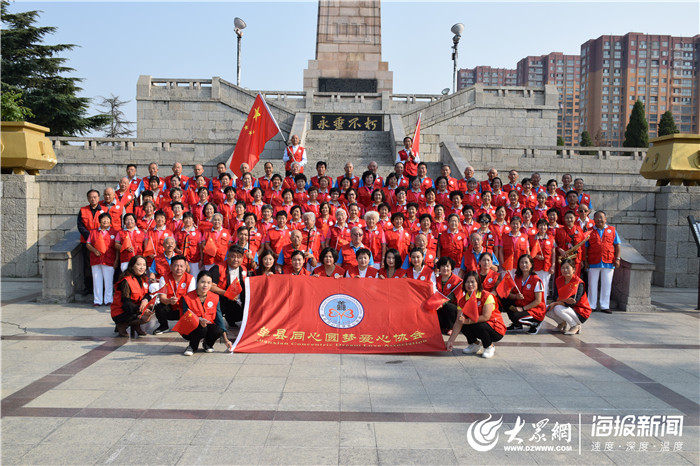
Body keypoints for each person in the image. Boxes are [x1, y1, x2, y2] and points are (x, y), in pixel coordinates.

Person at [445, 271, 505, 359]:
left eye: (473, 282)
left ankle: (489, 346)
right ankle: (474, 344)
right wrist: (450, 341)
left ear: (478, 283)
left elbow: (486, 317)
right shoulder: (462, 300)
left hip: (495, 329)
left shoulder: (487, 296)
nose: (470, 284)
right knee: (462, 322)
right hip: (478, 324)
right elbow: (459, 321)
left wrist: (468, 321)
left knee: (479, 325)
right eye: (467, 282)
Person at [180, 270, 232, 355]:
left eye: (209, 283)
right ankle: (192, 346)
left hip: (207, 325)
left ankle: (208, 344)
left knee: (217, 330)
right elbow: (185, 318)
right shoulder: (187, 297)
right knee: (202, 329)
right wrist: (198, 321)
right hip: (191, 327)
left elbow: (219, 318)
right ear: (197, 282)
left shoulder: (215, 297)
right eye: (203, 282)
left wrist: (226, 340)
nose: (205, 285)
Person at [584, 211, 620, 314]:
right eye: (597, 218)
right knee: (592, 284)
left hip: (608, 261)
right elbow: (585, 247)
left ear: (606, 219)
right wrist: (585, 260)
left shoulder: (612, 230)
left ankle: (605, 306)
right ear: (593, 220)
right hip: (593, 260)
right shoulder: (590, 231)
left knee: (607, 284)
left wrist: (617, 259)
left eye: (601, 218)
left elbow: (617, 245)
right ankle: (592, 305)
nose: (599, 220)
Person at [111, 255, 154, 337]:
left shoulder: (143, 278)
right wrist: (141, 310)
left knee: (152, 307)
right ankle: (121, 325)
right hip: (121, 312)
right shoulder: (126, 281)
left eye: (144, 265)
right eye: (139, 265)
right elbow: (126, 304)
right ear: (132, 266)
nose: (142, 267)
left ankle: (135, 325)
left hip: (133, 309)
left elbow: (148, 294)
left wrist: (145, 300)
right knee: (145, 316)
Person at [502, 254, 546, 334]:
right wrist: (516, 296)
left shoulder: (536, 280)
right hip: (520, 305)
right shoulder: (517, 277)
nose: (524, 265)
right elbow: (509, 294)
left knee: (515, 317)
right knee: (504, 299)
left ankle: (535, 324)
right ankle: (517, 325)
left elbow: (538, 301)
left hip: (535, 311)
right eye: (521, 262)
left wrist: (523, 309)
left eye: (526, 262)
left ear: (531, 265)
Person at [153, 254, 196, 334]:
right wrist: (169, 300)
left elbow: (191, 298)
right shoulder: (164, 278)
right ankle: (164, 326)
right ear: (171, 266)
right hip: (170, 308)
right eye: (176, 266)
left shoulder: (190, 278)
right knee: (159, 307)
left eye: (181, 266)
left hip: (183, 308)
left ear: (185, 267)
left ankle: (187, 325)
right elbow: (162, 298)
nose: (179, 268)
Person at [546, 259, 591, 335]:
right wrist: (562, 301)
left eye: (567, 268)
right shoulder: (559, 280)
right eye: (563, 268)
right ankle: (562, 324)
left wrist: (557, 302)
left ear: (573, 269)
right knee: (546, 308)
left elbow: (573, 302)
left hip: (580, 312)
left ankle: (575, 326)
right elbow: (555, 297)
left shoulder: (578, 283)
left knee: (557, 308)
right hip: (565, 307)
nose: (565, 270)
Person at [210, 245, 248, 328]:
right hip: (222, 298)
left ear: (242, 258)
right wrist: (226, 293)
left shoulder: (244, 269)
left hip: (238, 299)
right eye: (233, 257)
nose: (236, 260)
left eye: (239, 257)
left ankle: (232, 320)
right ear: (228, 256)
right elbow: (211, 286)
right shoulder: (217, 268)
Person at [86, 213, 118, 306]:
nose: (105, 221)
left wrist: (116, 260)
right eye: (103, 219)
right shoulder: (93, 232)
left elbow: (116, 248)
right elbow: (88, 244)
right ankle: (97, 300)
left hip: (109, 260)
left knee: (108, 281)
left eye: (107, 219)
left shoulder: (114, 232)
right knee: (96, 281)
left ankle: (108, 300)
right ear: (99, 221)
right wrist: (94, 250)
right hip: (96, 259)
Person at [435, 257, 463, 335]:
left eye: (447, 266)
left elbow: (451, 297)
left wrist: (441, 303)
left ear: (451, 267)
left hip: (452, 308)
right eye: (443, 266)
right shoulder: (436, 279)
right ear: (439, 267)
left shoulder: (457, 280)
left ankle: (452, 327)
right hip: (439, 306)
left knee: (449, 307)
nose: (445, 268)